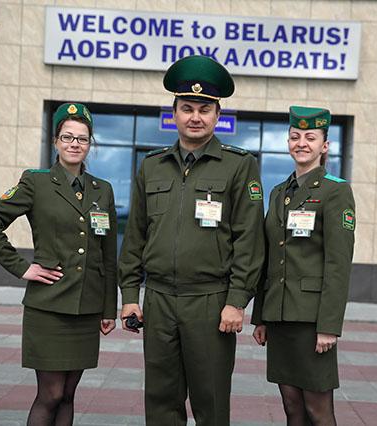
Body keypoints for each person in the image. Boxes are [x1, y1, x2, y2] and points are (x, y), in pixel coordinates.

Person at [118, 55, 265, 426]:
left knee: (210, 402)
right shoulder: (151, 165)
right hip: (159, 301)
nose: (195, 117)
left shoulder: (239, 165)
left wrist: (236, 301)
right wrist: (131, 296)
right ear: (174, 113)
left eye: (204, 109)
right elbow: (135, 235)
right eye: (187, 108)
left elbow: (249, 240)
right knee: (161, 402)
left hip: (210, 303)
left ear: (217, 115)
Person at [0, 103, 118, 426]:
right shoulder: (36, 182)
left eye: (82, 138)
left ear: (90, 144)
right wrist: (22, 267)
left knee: (68, 395)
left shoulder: (103, 190)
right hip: (49, 307)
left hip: (87, 308)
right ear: (55, 141)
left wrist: (108, 309)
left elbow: (108, 255)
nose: (74, 144)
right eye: (67, 137)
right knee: (50, 394)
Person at [251, 106, 355, 425]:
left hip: (312, 320)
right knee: (292, 406)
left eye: (310, 137)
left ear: (325, 145)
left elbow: (338, 263)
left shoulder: (335, 191)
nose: (301, 143)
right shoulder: (278, 193)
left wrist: (329, 326)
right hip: (279, 317)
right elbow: (269, 256)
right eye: (295, 136)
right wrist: (261, 317)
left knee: (318, 411)